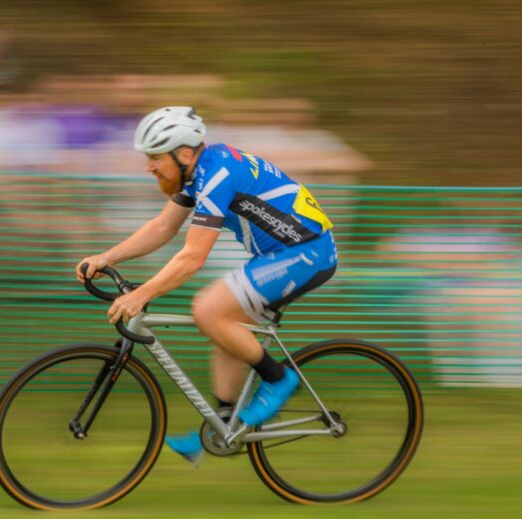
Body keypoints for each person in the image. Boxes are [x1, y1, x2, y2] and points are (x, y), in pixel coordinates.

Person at [76, 106, 337, 464]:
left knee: (208, 309)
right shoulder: (198, 172)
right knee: (224, 325)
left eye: (154, 157)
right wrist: (107, 258)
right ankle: (226, 426)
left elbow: (193, 257)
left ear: (183, 153)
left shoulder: (216, 175)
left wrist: (142, 294)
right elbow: (162, 228)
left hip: (308, 253)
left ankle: (278, 379)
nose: (149, 166)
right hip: (280, 255)